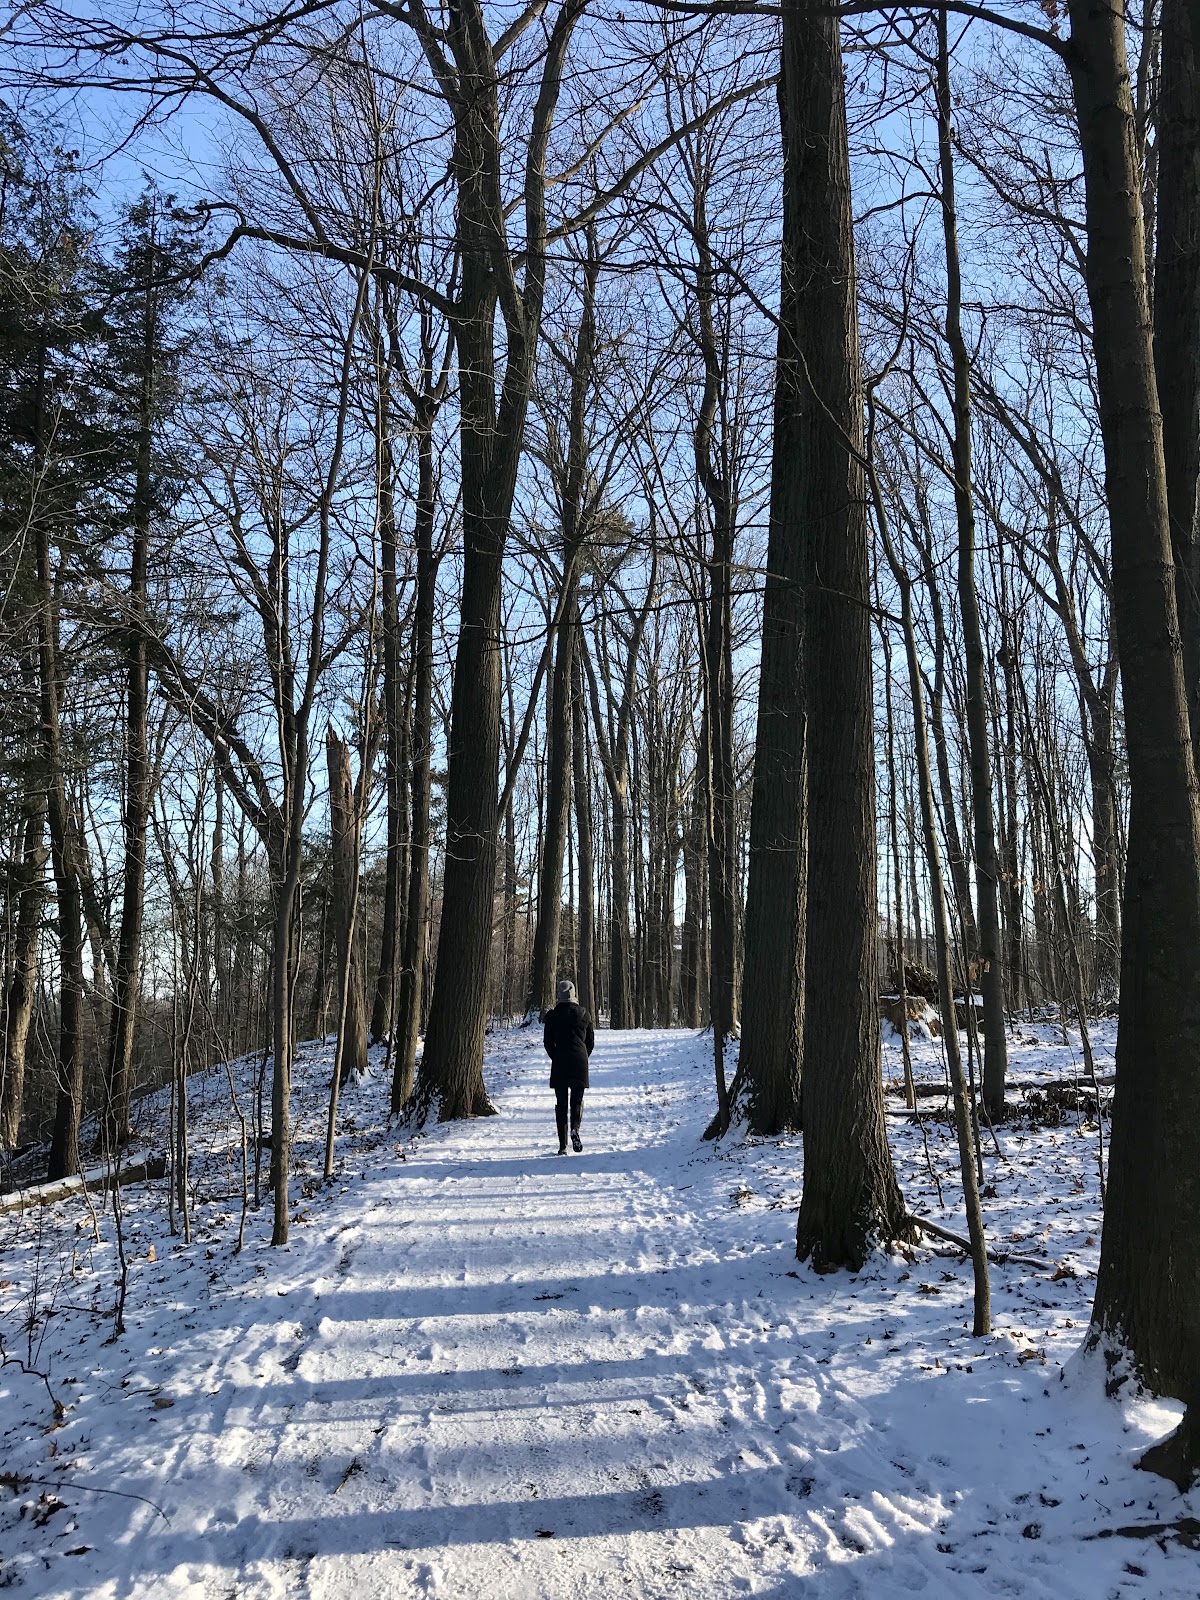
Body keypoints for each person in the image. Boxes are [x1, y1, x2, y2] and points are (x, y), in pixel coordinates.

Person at [543, 978, 594, 1154]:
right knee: (577, 1101)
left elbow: (548, 1043)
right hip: (580, 1061)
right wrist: (583, 1056)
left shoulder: (551, 1016)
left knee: (561, 1104)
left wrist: (556, 1057)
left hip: (560, 1062)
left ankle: (563, 1145)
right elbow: (590, 1041)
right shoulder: (584, 1014)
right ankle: (575, 1130)